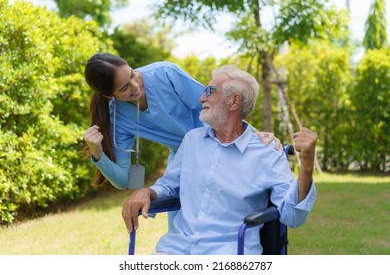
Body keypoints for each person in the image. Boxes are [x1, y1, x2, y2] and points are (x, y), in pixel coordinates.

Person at [122, 65, 318, 255]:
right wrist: (147, 191)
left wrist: (307, 166)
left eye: (210, 91)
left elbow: (292, 216)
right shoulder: (192, 140)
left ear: (234, 101)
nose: (201, 97)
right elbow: (169, 185)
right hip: (176, 249)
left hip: (230, 253)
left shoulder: (267, 152)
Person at [83, 53, 281, 229]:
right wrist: (97, 154)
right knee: (181, 231)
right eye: (125, 87)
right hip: (182, 164)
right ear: (110, 95)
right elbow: (123, 180)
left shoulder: (165, 74)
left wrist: (253, 133)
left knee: (226, 220)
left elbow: (215, 104)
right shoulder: (117, 116)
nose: (136, 87)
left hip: (221, 147)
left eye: (133, 75)